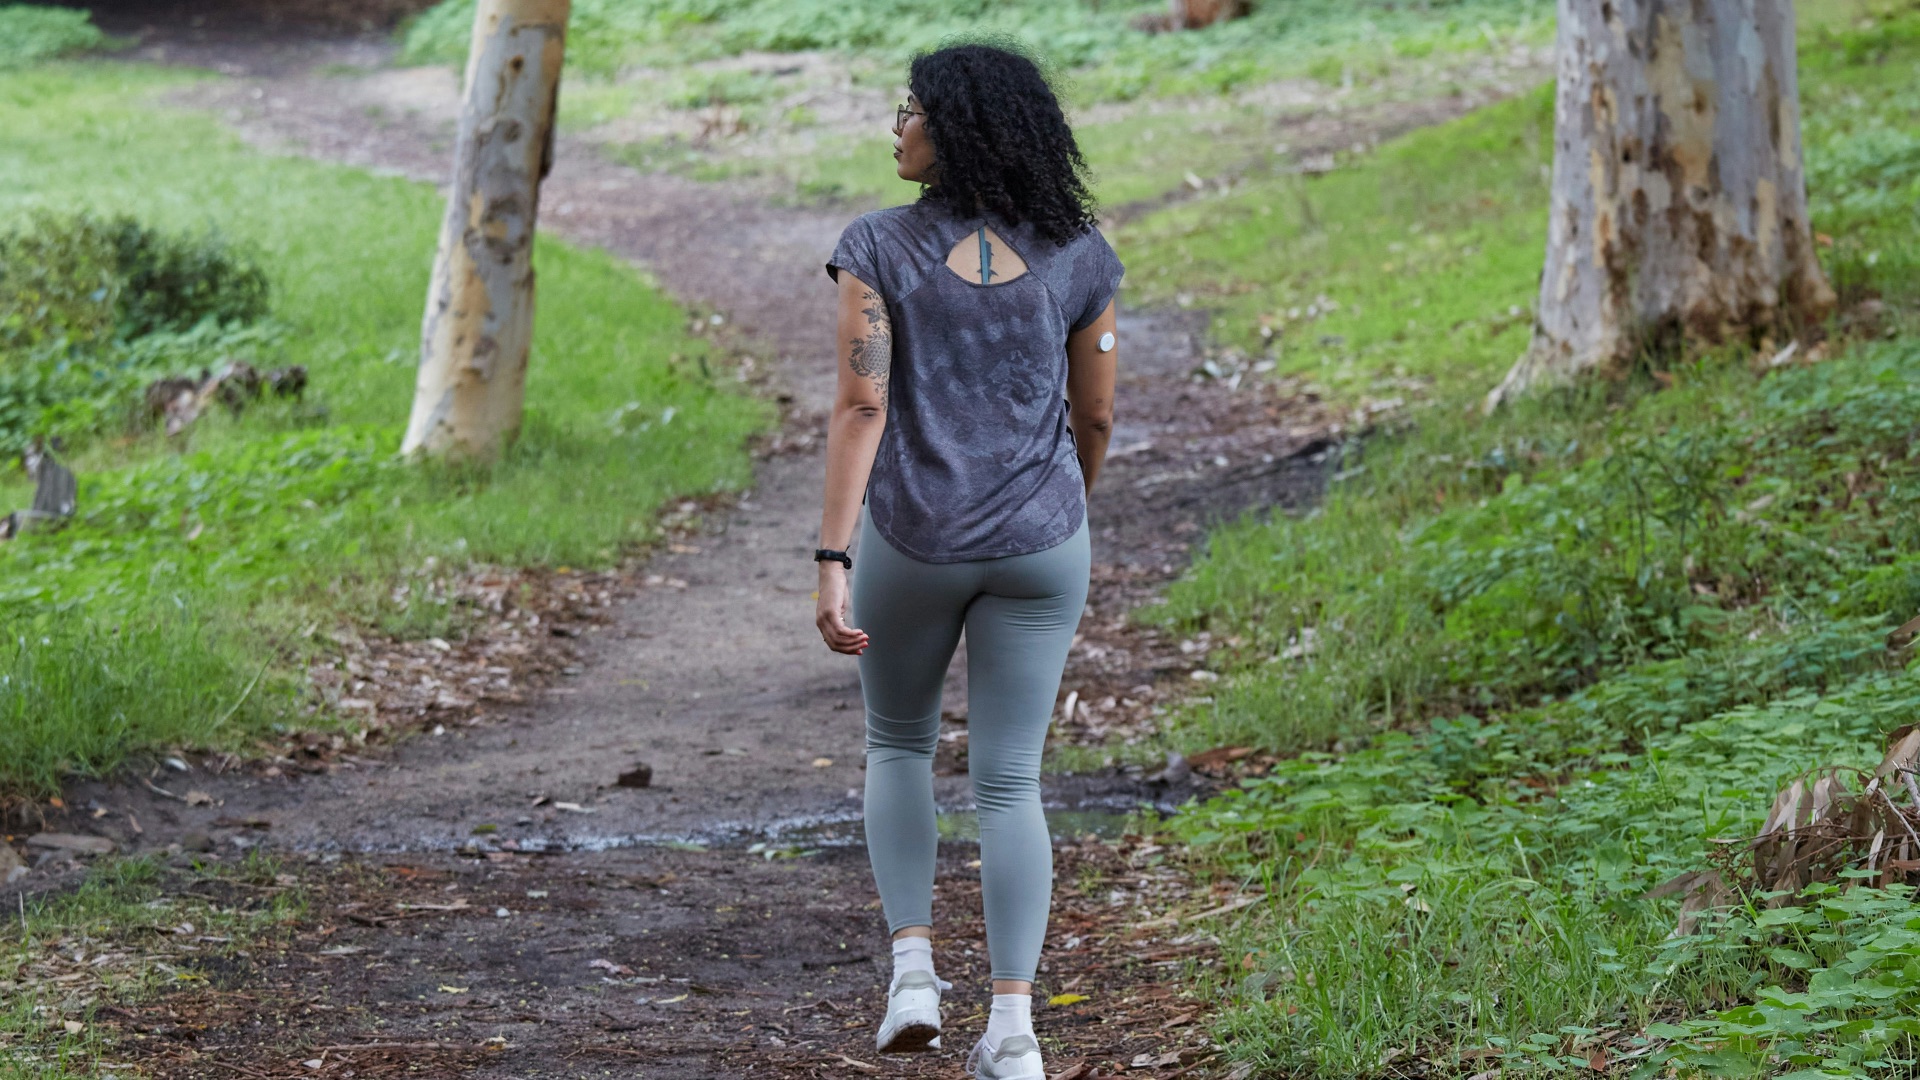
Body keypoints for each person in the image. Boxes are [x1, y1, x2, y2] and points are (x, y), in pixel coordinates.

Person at [812, 39, 1123, 1080]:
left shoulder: (878, 247)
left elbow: (862, 405)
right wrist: (1058, 503)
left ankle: (912, 975)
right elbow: (1098, 412)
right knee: (1011, 781)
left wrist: (830, 555)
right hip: (1043, 544)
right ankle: (1016, 1030)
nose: (896, 127)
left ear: (951, 127)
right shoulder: (1079, 251)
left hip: (912, 537)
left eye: (908, 109)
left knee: (898, 746)